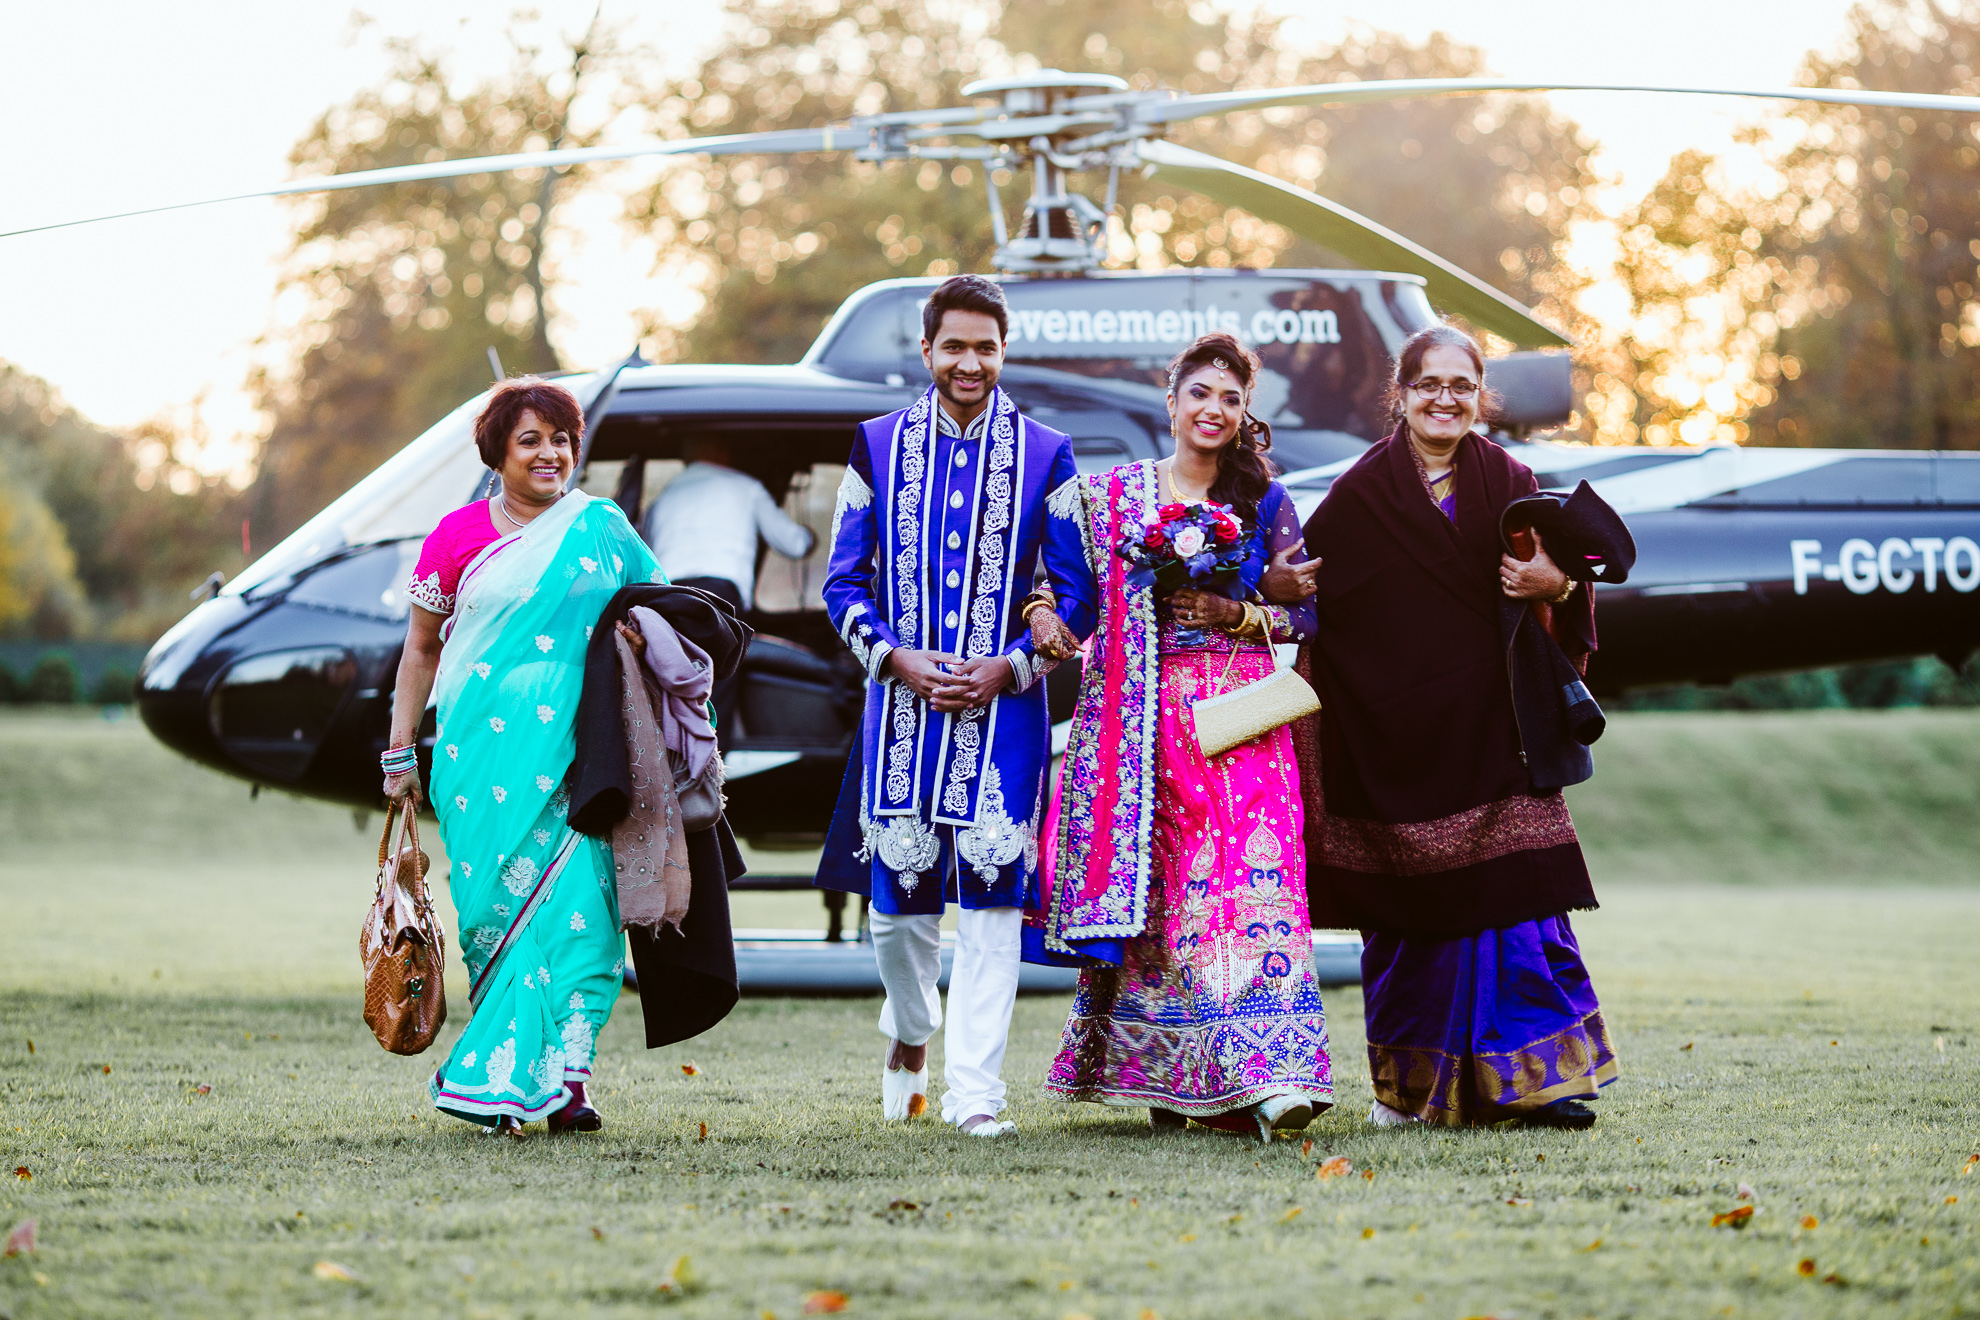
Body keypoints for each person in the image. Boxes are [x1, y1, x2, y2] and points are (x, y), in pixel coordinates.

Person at [1288, 324, 1619, 1130]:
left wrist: (1560, 583)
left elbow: (1566, 582)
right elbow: (1311, 612)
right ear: (1400, 394)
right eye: (1428, 385)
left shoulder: (1511, 478)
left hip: (1500, 731)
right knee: (1410, 921)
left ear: (1482, 397)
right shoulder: (1359, 496)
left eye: (1461, 387)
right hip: (1393, 739)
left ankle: (1538, 1086)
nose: (1445, 400)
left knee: (1522, 905)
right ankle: (1408, 1093)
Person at [1030, 333, 1335, 1142]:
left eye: (1231, 399)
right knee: (1172, 893)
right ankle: (1177, 1072)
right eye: (1200, 393)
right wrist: (1042, 619)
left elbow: (1306, 615)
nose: (1214, 410)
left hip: (1242, 717)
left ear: (1244, 415)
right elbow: (1067, 598)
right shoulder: (1110, 498)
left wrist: (1237, 611)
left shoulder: (1264, 500)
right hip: (1146, 721)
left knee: (1250, 878)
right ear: (1170, 403)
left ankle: (1271, 1076)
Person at [817, 274, 1096, 1138]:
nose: (970, 361)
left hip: (1003, 717)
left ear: (1003, 351)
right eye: (955, 346)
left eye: (986, 347)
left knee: (992, 904)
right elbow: (842, 581)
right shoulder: (874, 444)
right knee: (898, 915)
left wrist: (1010, 668)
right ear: (928, 347)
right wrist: (894, 657)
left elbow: (1081, 596)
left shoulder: (1050, 453)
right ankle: (909, 1033)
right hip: (900, 717)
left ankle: (977, 1093)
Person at [386, 376, 663, 1139]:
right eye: (530, 441)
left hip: (584, 756)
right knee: (492, 914)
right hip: (479, 762)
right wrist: (397, 754)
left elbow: (666, 613)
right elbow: (417, 651)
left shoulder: (603, 528)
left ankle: (568, 1083)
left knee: (583, 915)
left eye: (561, 440)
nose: (551, 454)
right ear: (498, 454)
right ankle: (506, 1079)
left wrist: (642, 646)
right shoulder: (456, 536)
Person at [642, 436, 816, 612]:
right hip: (721, 593)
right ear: (722, 452)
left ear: (686, 457)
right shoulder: (747, 487)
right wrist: (810, 538)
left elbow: (645, 557)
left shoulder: (660, 499)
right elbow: (795, 545)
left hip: (669, 594)